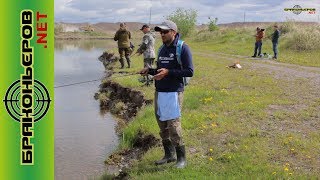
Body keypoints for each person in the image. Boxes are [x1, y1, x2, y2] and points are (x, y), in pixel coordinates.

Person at [140, 20, 194, 169]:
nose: (162, 34)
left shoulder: (183, 48)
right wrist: (149, 70)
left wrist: (168, 72)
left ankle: (181, 159)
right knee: (162, 125)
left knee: (174, 126)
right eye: (160, 32)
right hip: (160, 92)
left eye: (165, 31)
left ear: (174, 32)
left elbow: (190, 71)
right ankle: (169, 155)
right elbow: (160, 70)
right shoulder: (162, 49)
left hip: (173, 93)